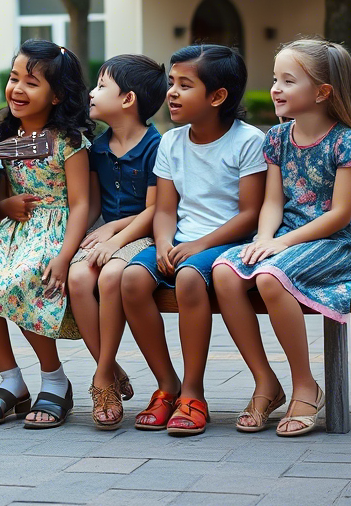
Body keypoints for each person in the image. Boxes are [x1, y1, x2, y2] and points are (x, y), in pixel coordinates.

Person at [213, 39, 351, 437]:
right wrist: (264, 238)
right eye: (275, 79)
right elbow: (272, 202)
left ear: (322, 92)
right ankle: (265, 382)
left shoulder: (347, 142)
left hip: (336, 243)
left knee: (271, 277)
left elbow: (340, 215)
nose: (275, 88)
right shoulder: (277, 137)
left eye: (288, 80)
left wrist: (281, 245)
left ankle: (306, 386)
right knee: (223, 271)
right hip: (285, 239)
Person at [121, 44, 266, 436]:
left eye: (185, 85)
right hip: (181, 241)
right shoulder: (171, 141)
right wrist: (163, 243)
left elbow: (250, 214)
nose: (171, 92)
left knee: (187, 277)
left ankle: (193, 392)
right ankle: (166, 385)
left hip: (226, 244)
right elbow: (165, 209)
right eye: (172, 82)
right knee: (131, 278)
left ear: (217, 97)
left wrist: (199, 246)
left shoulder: (248, 141)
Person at [0, 40, 93, 430]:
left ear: (58, 96)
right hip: (14, 230)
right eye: (14, 78)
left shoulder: (68, 142)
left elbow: (82, 204)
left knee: (23, 278)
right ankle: (11, 381)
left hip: (56, 230)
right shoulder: (3, 139)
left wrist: (65, 256)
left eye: (31, 83)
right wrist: (5, 206)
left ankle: (55, 381)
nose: (17, 89)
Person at [67, 55, 167, 429]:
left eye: (101, 86)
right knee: (78, 278)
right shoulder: (97, 147)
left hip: (144, 236)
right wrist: (70, 246)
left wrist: (115, 235)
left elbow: (155, 210)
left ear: (127, 99)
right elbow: (92, 205)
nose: (91, 93)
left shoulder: (157, 146)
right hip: (110, 236)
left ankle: (102, 380)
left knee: (111, 277)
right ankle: (108, 369)